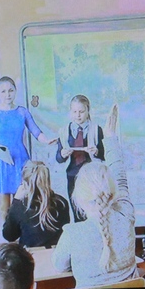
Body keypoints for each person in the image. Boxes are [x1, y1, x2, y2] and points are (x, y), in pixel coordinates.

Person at [51, 104, 139, 288]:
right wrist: (110, 136)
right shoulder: (126, 215)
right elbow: (120, 176)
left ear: (78, 198)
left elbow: (59, 266)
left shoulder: (72, 234)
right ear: (112, 191)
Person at [0, 76, 56, 224]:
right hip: (2, 160)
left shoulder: (22, 112)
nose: (7, 94)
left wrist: (46, 140)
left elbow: (36, 131)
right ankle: (7, 233)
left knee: (22, 201)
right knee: (5, 205)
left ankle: (22, 233)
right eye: (3, 91)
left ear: (15, 91)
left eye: (10, 90)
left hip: (20, 159)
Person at [55, 94, 105, 222]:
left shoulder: (96, 130)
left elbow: (104, 154)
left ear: (88, 111)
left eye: (81, 112)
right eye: (74, 112)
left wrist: (96, 152)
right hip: (72, 176)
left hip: (92, 176)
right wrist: (63, 154)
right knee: (77, 211)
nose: (78, 115)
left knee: (93, 211)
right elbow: (58, 158)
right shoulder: (64, 131)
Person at [1, 160, 70, 248]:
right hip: (56, 254)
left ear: (25, 184)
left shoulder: (20, 207)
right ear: (47, 180)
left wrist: (15, 201)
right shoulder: (62, 203)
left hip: (30, 255)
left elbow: (9, 236)